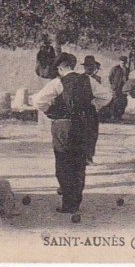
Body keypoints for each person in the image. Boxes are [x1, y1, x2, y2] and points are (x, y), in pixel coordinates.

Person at [31, 52, 98, 219]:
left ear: (60, 68)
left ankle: (68, 203)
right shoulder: (88, 80)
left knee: (63, 162)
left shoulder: (57, 82)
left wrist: (51, 110)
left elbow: (38, 101)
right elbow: (106, 96)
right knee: (79, 163)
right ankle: (76, 203)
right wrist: (92, 107)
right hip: (82, 124)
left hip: (63, 125)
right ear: (72, 66)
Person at [81, 55, 105, 165]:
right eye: (87, 66)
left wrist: (97, 106)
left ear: (95, 67)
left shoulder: (98, 80)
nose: (89, 68)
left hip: (93, 110)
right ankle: (82, 157)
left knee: (93, 134)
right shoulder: (79, 78)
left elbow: (104, 95)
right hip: (81, 110)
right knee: (82, 134)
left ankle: (89, 157)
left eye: (91, 66)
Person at [108, 56, 129, 121]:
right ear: (119, 62)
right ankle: (113, 116)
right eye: (122, 62)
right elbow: (110, 77)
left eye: (124, 62)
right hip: (116, 88)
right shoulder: (115, 68)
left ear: (126, 62)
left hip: (124, 88)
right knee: (115, 102)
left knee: (123, 102)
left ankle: (119, 116)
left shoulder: (127, 69)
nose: (123, 63)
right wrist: (113, 85)